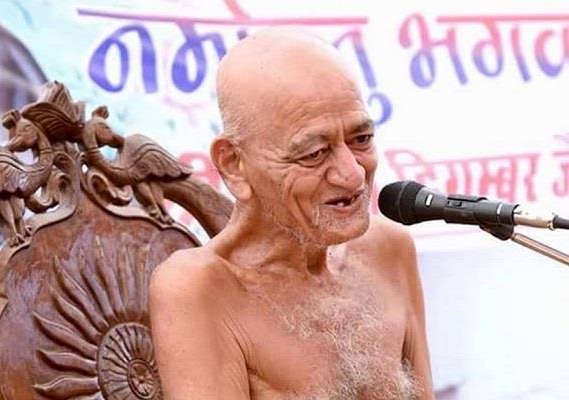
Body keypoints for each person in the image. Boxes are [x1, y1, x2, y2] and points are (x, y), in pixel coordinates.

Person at [150, 27, 435, 400]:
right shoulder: (202, 288)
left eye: (361, 139)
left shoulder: (389, 250)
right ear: (234, 164)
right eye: (315, 153)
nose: (352, 174)